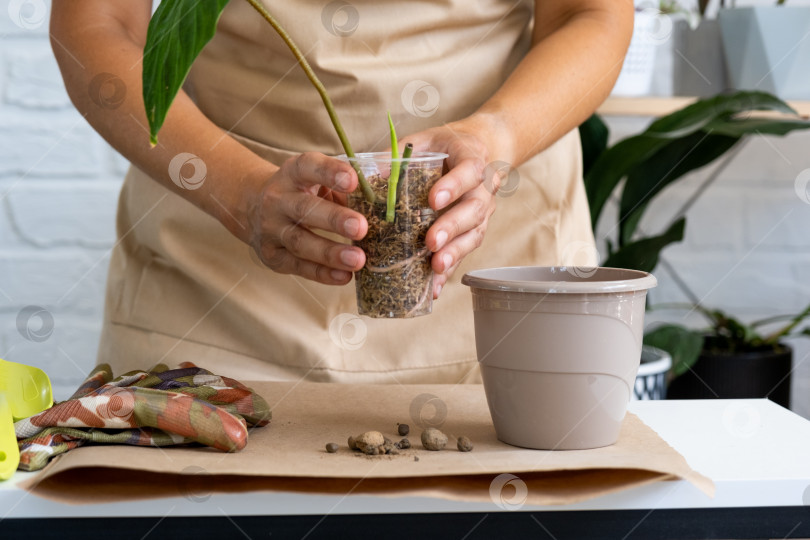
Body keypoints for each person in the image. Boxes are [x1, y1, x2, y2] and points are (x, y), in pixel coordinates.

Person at [50, 1, 633, 383]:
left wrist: (494, 137)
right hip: (214, 283)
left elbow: (592, 15)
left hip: (498, 264)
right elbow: (96, 23)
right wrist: (240, 192)